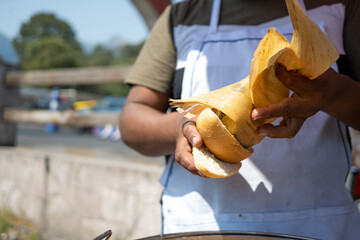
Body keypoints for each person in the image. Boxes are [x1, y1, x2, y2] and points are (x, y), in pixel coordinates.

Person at [119, 0, 360, 239]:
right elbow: (133, 118)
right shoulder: (182, 16)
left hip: (321, 227)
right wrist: (178, 127)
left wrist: (336, 95)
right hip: (198, 227)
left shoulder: (342, 7)